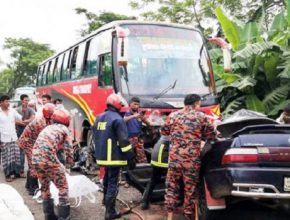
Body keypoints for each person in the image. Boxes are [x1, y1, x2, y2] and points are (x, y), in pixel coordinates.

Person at [161, 94, 216, 220]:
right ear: (196, 103)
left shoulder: (173, 115)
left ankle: (170, 216)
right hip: (191, 161)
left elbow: (164, 131)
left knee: (171, 187)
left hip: (174, 159)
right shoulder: (200, 116)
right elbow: (211, 134)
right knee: (190, 190)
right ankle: (188, 216)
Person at [93, 94, 136, 220]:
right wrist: (130, 157)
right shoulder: (118, 119)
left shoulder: (99, 117)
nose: (122, 108)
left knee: (107, 178)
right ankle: (110, 212)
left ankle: (105, 202)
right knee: (113, 182)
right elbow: (123, 141)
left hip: (102, 156)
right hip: (114, 156)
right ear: (117, 105)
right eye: (121, 105)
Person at [32, 109, 73, 220]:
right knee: (63, 188)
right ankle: (64, 217)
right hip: (48, 159)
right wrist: (70, 164)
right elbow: (69, 149)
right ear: (65, 120)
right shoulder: (64, 129)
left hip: (35, 159)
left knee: (45, 187)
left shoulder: (48, 128)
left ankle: (49, 216)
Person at [17, 103, 56, 195]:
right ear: (47, 113)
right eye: (52, 113)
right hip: (29, 143)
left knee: (33, 165)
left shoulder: (49, 120)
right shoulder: (40, 122)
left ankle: (28, 185)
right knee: (34, 165)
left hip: (35, 143)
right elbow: (44, 138)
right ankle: (32, 188)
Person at [140, 135, 169, 210]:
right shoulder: (179, 133)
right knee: (171, 181)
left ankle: (144, 202)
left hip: (156, 155)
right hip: (163, 156)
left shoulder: (165, 135)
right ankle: (170, 204)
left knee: (153, 179)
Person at [0, 95, 23, 182]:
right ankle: (8, 174)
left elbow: (20, 117)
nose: (8, 103)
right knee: (6, 157)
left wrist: (26, 117)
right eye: (6, 101)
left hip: (14, 137)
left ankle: (16, 172)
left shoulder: (12, 111)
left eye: (8, 101)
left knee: (16, 155)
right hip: (4, 138)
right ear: (1, 103)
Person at [124, 96, 149, 163]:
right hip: (130, 138)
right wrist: (133, 116)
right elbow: (123, 120)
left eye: (138, 104)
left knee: (141, 155)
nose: (136, 106)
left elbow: (148, 124)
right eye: (134, 104)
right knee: (128, 154)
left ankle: (144, 168)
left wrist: (143, 118)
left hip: (138, 137)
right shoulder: (126, 113)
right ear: (130, 104)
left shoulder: (139, 113)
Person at [16, 94, 35, 177]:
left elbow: (32, 119)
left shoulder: (31, 109)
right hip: (19, 133)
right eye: (25, 100)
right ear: (22, 101)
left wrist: (23, 121)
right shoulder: (17, 110)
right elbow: (15, 121)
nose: (27, 102)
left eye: (28, 100)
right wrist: (26, 122)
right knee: (21, 152)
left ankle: (31, 170)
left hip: (29, 134)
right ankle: (21, 171)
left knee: (30, 152)